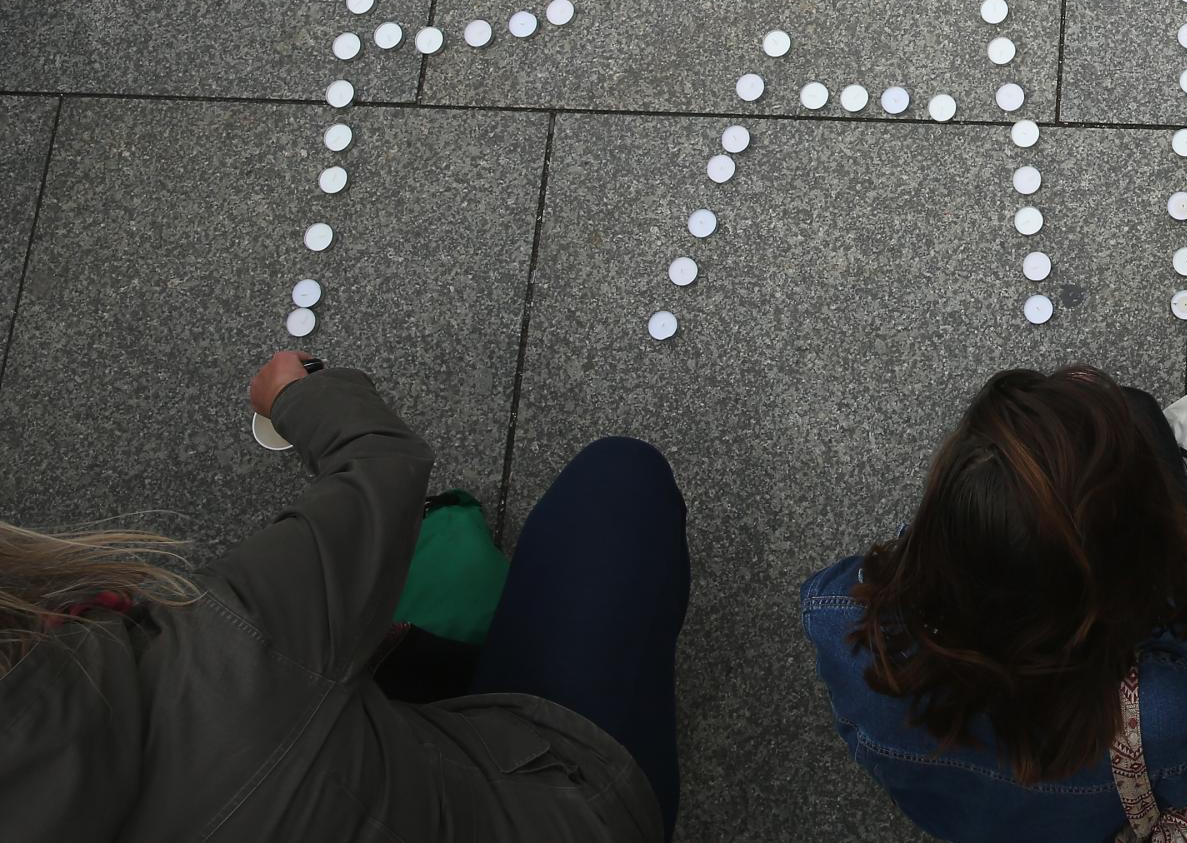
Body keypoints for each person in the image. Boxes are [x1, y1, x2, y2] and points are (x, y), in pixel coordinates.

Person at [0, 351, 690, 842]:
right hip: (563, 811)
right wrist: (288, 393)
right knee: (621, 480)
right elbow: (381, 462)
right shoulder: (226, 643)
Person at [800, 367, 1187, 843]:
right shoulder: (1156, 709)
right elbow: (1186, 774)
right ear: (1122, 580)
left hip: (946, 814)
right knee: (1139, 411)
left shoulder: (840, 618)